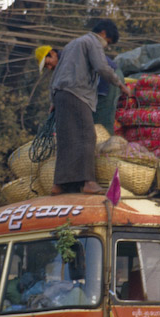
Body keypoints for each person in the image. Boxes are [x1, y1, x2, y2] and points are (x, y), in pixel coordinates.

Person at [47, 19, 131, 195]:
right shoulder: (92, 42)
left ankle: (59, 184)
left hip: (60, 94)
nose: (106, 46)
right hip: (78, 93)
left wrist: (53, 101)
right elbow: (102, 67)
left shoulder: (71, 45)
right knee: (87, 135)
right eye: (107, 42)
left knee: (66, 139)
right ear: (103, 34)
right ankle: (88, 182)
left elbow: (56, 74)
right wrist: (120, 84)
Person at [35, 45, 124, 135]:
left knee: (101, 119)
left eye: (48, 64)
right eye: (46, 67)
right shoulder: (63, 63)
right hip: (99, 82)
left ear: (52, 53)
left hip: (107, 78)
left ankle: (107, 146)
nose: (49, 68)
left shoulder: (68, 60)